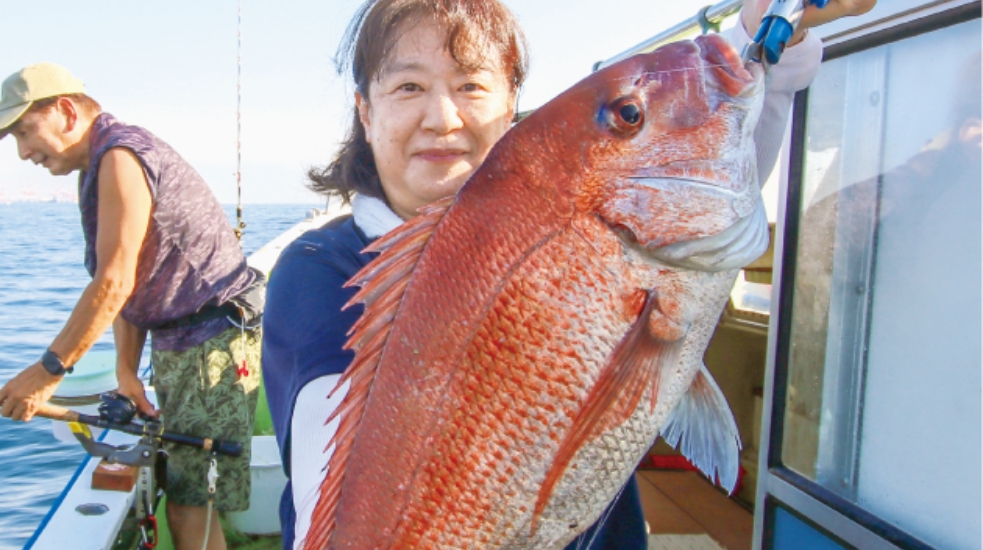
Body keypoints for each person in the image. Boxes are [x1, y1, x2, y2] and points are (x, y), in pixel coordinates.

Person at [261, 0, 876, 548]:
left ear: (510, 108)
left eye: (471, 86)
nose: (442, 116)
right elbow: (331, 485)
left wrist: (770, 33)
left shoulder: (591, 217)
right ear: (365, 114)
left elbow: (709, 182)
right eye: (407, 88)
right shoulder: (318, 273)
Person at [0, 63, 264, 550]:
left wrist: (49, 370)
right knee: (190, 489)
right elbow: (132, 286)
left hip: (212, 342)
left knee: (190, 496)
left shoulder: (122, 156)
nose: (22, 152)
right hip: (181, 340)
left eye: (25, 132)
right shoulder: (101, 163)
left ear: (64, 111)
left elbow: (114, 280)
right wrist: (126, 371)